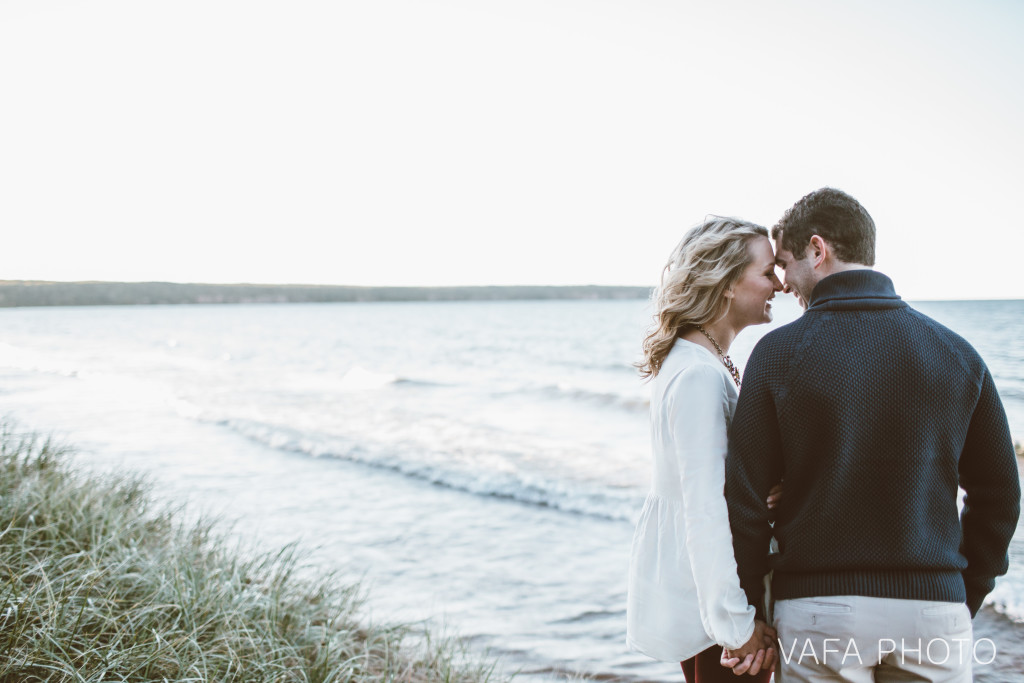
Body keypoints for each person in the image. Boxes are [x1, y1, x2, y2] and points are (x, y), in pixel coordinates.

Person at [725, 187, 1021, 682]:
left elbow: (745, 499)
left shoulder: (778, 355)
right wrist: (964, 592)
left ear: (818, 250)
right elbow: (1000, 494)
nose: (782, 283)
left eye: (785, 263)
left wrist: (753, 604)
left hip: (819, 611)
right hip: (933, 614)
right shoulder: (956, 353)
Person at [627, 216, 783, 682]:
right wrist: (735, 627)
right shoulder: (697, 374)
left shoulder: (701, 360)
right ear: (730, 282)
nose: (780, 284)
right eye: (767, 272)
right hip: (716, 605)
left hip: (705, 595)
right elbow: (705, 510)